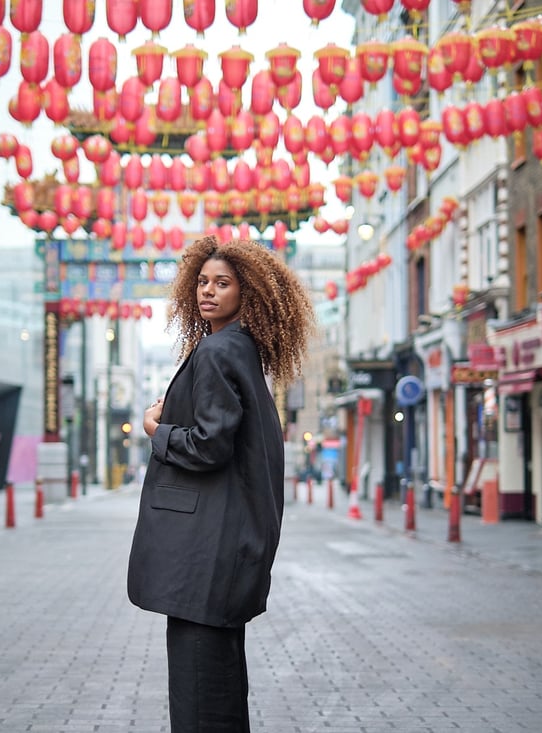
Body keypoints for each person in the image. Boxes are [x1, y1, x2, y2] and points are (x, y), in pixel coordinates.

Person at [127, 234, 316, 732]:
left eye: (223, 283)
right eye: (203, 282)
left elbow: (210, 445)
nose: (208, 292)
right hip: (226, 549)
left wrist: (158, 431)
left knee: (197, 695)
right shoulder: (242, 351)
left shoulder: (216, 352)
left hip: (202, 556)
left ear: (246, 292)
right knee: (220, 687)